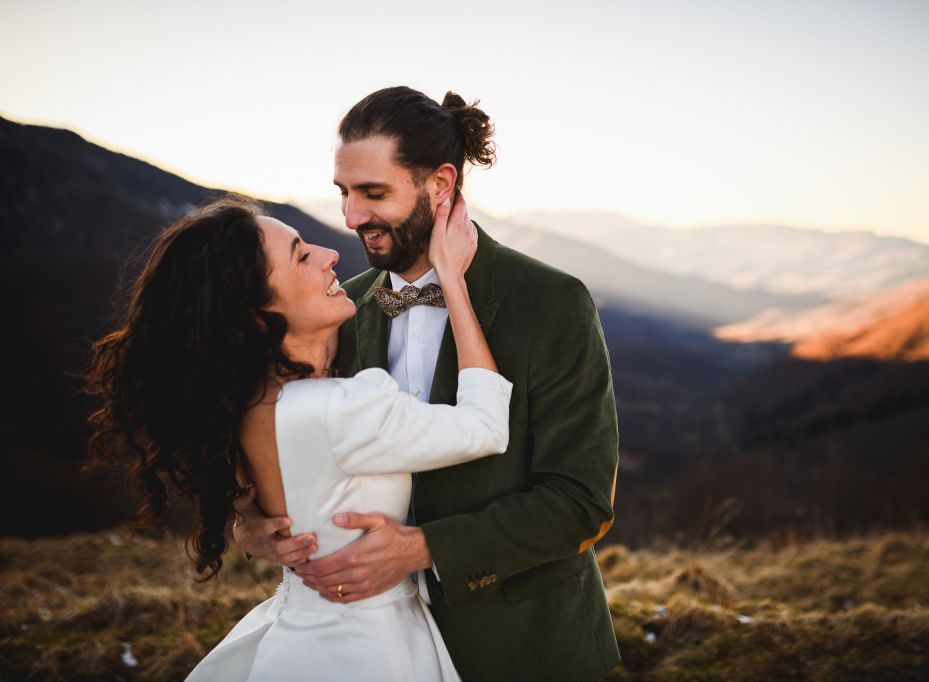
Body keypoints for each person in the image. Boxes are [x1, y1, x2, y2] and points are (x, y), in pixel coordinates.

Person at [234, 87, 621, 681]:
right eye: (344, 193)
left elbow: (580, 502)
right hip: (372, 648)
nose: (350, 217)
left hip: (523, 648)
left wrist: (424, 548)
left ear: (440, 185)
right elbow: (280, 429)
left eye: (373, 193)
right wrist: (255, 523)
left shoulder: (550, 302)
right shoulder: (343, 308)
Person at [87, 193, 512, 682]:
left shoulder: (239, 404)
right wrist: (452, 278)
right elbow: (484, 427)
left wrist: (247, 521)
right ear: (256, 312)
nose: (331, 254)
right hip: (368, 651)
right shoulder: (343, 407)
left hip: (298, 631)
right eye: (301, 256)